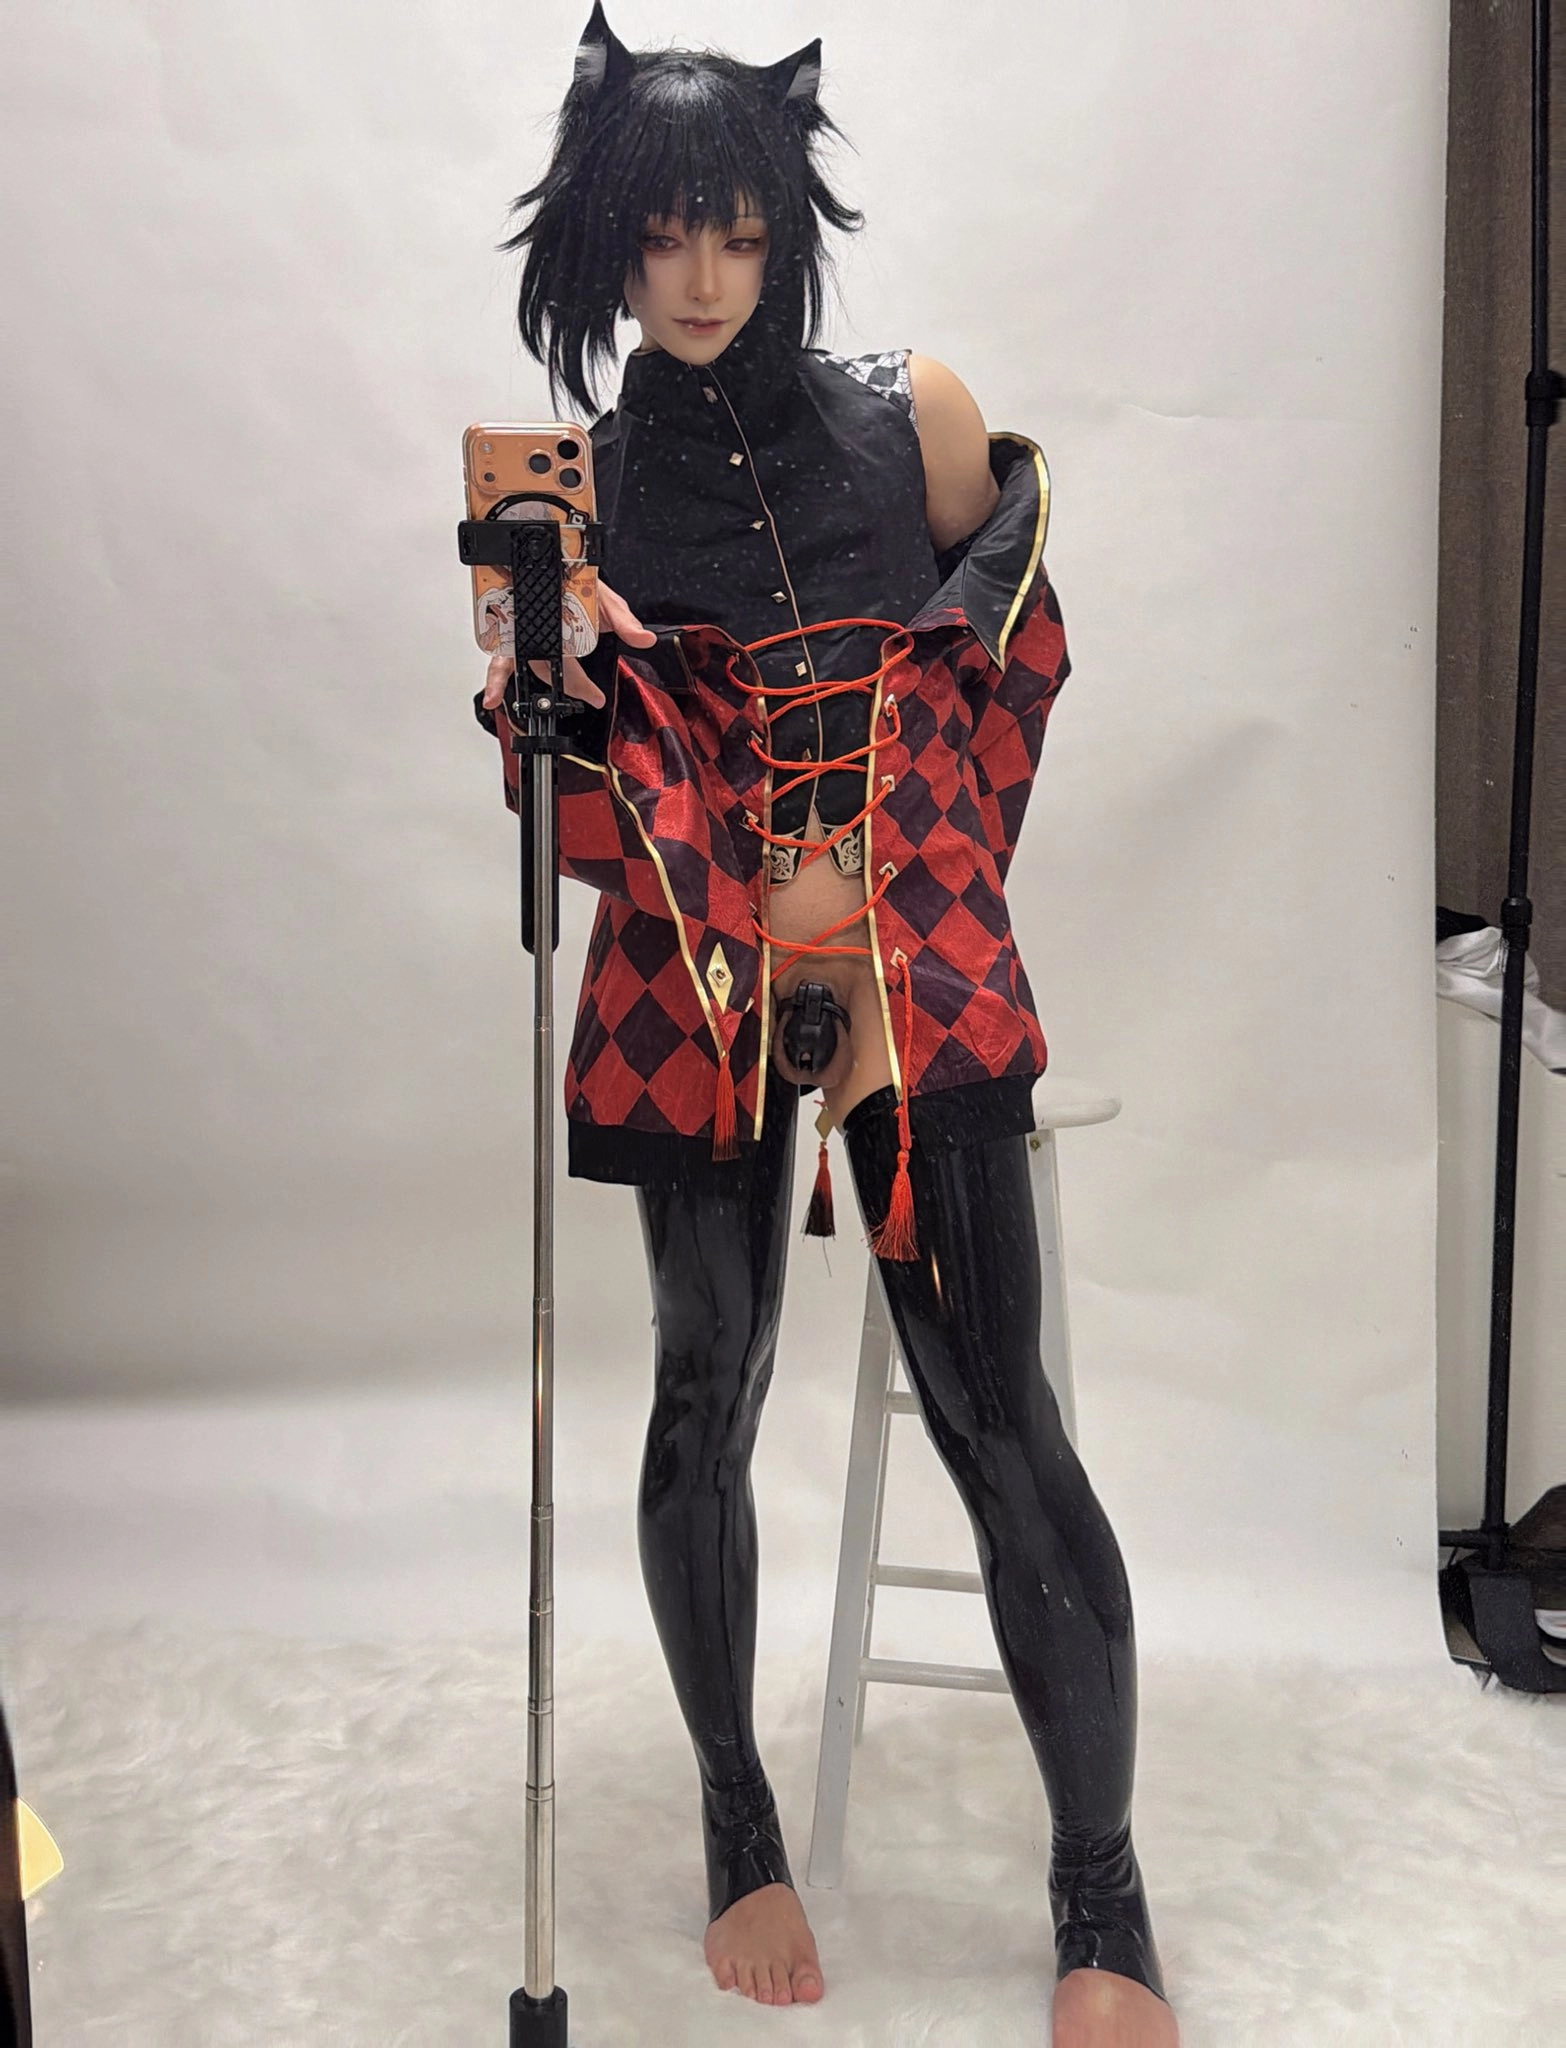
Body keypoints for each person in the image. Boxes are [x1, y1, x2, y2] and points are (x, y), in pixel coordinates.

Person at [474, 10, 1181, 2043]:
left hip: (906, 973)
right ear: (603, 243)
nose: (700, 275)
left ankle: (1102, 1889)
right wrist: (545, 676)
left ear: (786, 229)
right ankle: (737, 1822)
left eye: (735, 231)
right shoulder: (583, 494)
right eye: (659, 236)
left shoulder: (913, 416)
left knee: (1002, 1424)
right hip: (686, 987)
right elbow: (567, 821)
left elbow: (1013, 641)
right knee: (703, 1392)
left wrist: (929, 854)